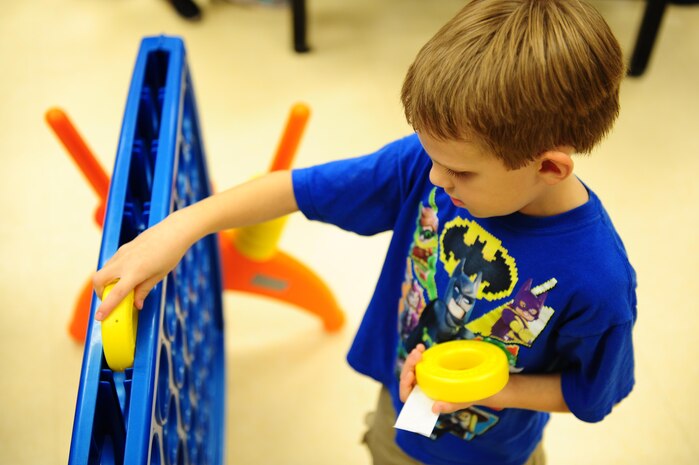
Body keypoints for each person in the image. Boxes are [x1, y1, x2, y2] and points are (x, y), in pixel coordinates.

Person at [92, 1, 637, 464]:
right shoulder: (427, 167)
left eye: (460, 171)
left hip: (496, 451)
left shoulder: (598, 280)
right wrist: (182, 228)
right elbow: (296, 189)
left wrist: (502, 388)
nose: (433, 179)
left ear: (548, 168)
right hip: (398, 417)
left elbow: (592, 392)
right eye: (428, 155)